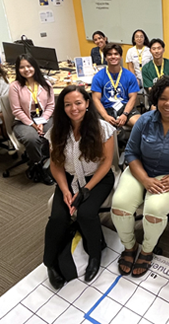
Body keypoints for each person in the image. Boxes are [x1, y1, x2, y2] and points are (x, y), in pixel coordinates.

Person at [111, 76, 169, 278]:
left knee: (153, 210)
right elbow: (131, 153)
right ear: (156, 99)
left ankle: (147, 250)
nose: (168, 104)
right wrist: (144, 179)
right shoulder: (144, 121)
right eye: (163, 98)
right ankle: (129, 246)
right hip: (140, 171)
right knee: (119, 205)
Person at [44, 85, 115, 289]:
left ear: (86, 104)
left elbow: (107, 162)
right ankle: (50, 263)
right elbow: (55, 165)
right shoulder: (56, 131)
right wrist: (66, 190)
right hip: (69, 178)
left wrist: (87, 190)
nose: (73, 108)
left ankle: (95, 255)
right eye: (68, 104)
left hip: (98, 178)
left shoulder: (102, 128)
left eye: (78, 103)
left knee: (85, 213)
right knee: (58, 216)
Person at [8, 54, 55, 185]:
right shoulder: (15, 86)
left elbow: (51, 105)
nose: (26, 69)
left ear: (35, 66)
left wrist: (43, 121)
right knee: (32, 138)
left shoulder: (45, 84)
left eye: (29, 66)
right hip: (24, 120)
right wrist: (33, 124)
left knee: (55, 132)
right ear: (18, 69)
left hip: (44, 118)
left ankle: (53, 162)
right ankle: (38, 166)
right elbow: (16, 110)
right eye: (22, 67)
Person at [91, 44, 141, 128]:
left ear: (120, 56)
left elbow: (133, 97)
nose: (113, 57)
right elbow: (96, 99)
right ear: (106, 57)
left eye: (116, 54)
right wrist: (105, 116)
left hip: (125, 107)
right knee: (97, 128)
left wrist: (125, 114)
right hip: (105, 108)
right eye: (109, 54)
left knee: (141, 124)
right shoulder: (98, 77)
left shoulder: (130, 76)